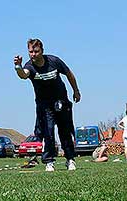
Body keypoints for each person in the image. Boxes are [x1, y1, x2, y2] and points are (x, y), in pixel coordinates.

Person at [14, 38, 81, 172]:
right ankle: (49, 162)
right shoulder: (29, 66)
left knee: (65, 130)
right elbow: (23, 75)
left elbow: (69, 74)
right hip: (44, 104)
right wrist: (18, 67)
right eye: (30, 52)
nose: (33, 54)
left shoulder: (53, 61)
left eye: (36, 51)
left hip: (61, 100)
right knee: (48, 132)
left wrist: (76, 91)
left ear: (42, 51)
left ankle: (70, 159)